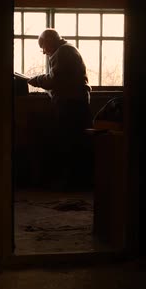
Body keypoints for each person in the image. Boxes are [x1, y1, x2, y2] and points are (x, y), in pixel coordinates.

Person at [27, 28, 92, 191]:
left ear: (50, 41)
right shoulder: (67, 50)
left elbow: (54, 79)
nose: (43, 52)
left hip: (70, 104)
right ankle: (76, 181)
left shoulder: (62, 53)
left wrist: (35, 80)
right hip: (76, 102)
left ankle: (71, 183)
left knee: (68, 142)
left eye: (43, 46)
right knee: (74, 142)